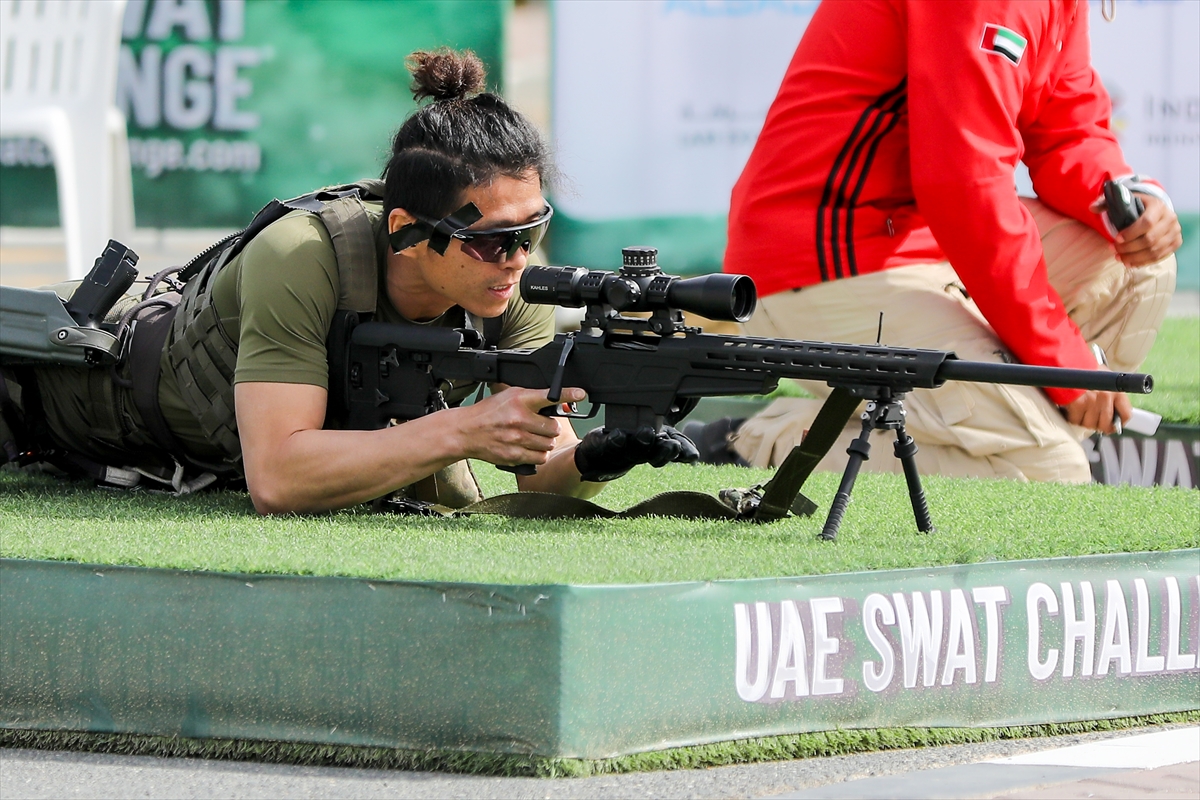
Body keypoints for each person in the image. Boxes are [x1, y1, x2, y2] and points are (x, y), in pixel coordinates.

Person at [0, 49, 696, 514]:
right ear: (404, 230)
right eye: (489, 242)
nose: (515, 259)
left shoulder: (507, 292)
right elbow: (278, 478)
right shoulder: (303, 253)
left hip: (199, 454)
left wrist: (605, 454)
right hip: (71, 389)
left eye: (530, 231)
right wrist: (460, 430)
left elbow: (540, 473)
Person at [696, 0, 1180, 482]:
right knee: (1047, 473)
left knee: (1138, 260)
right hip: (826, 264)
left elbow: (1066, 131)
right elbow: (964, 190)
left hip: (919, 243)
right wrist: (1066, 366)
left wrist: (1130, 202)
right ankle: (757, 443)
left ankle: (1020, 426)